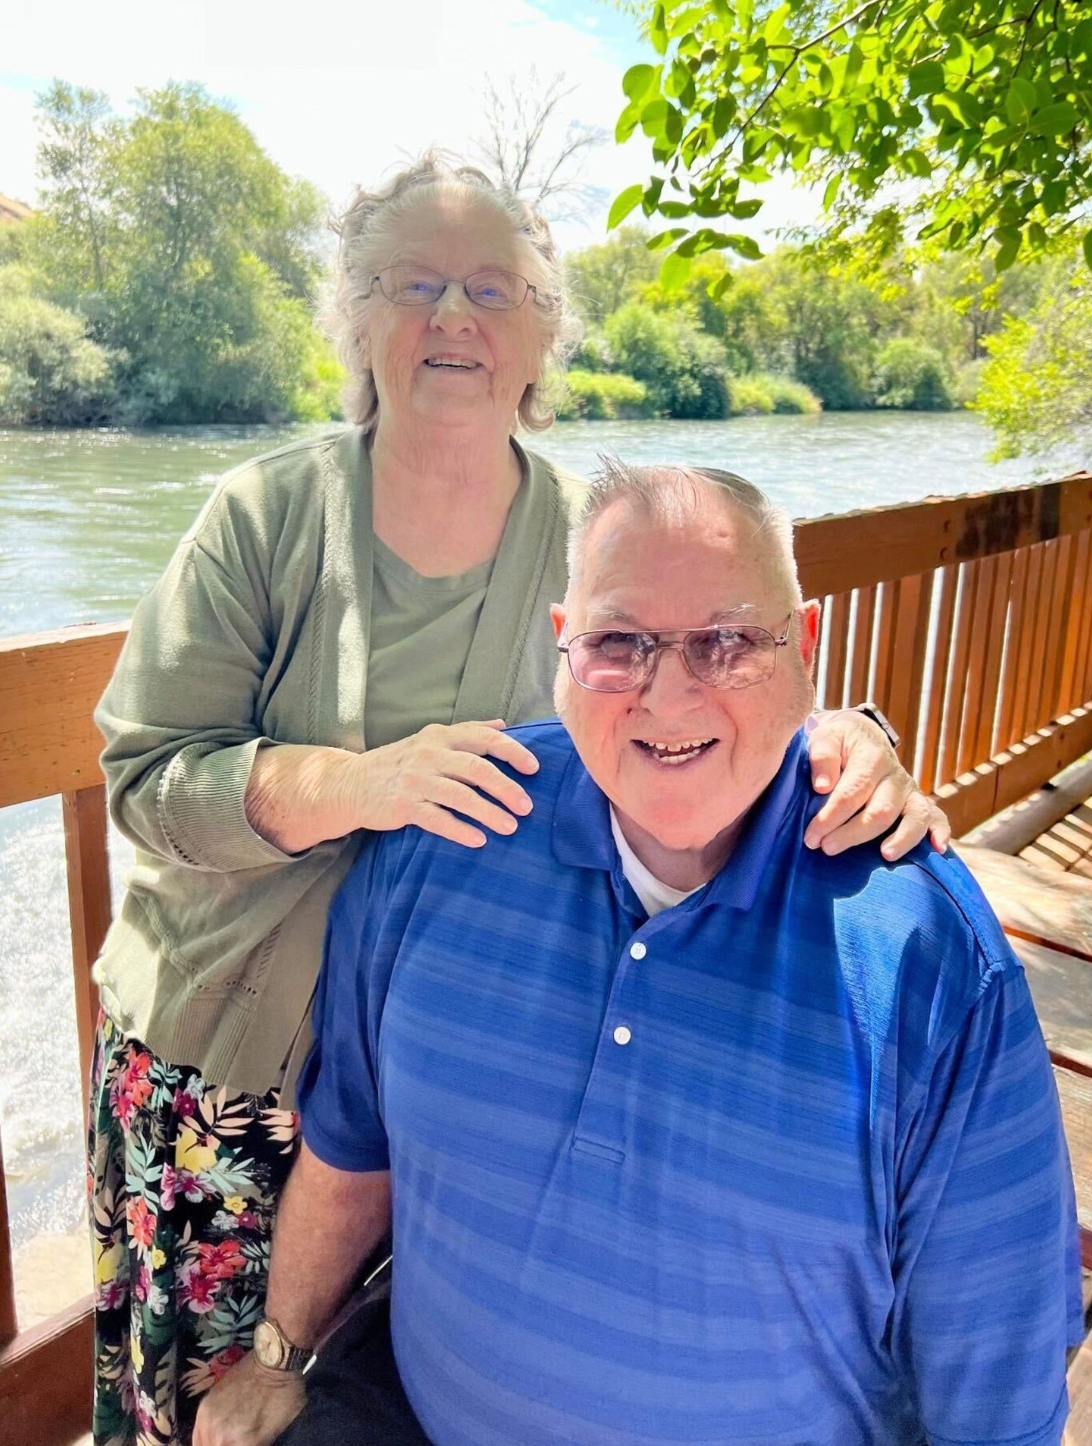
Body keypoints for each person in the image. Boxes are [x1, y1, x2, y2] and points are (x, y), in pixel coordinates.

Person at [88, 155, 948, 1446]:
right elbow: (150, 781)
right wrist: (355, 783)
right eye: (411, 283)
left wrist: (850, 735)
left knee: (432, 1384)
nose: (453, 319)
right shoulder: (261, 516)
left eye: (495, 287)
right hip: (232, 1074)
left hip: (477, 1079)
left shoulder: (591, 526)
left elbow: (726, 658)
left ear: (548, 326)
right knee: (213, 1412)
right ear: (351, 315)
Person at [197, 461, 1083, 1446]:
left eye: (726, 641)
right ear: (560, 650)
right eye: (618, 642)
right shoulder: (438, 844)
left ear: (805, 649)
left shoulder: (925, 961)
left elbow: (996, 1382)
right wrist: (278, 1353)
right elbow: (351, 1145)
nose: (667, 697)